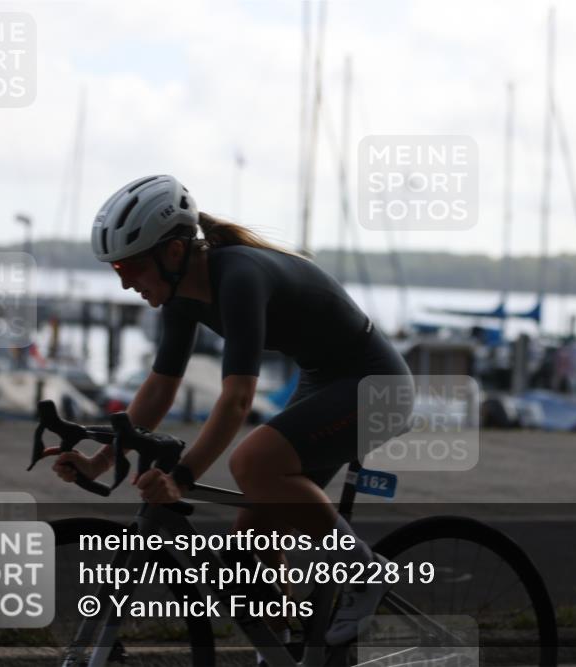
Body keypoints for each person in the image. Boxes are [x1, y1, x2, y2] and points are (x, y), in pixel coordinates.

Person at [50, 175, 414, 649]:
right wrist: (101, 461)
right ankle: (283, 653)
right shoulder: (180, 298)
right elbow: (160, 388)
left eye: (130, 265)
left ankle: (362, 569)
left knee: (251, 462)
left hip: (376, 386)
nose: (123, 282)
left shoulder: (239, 276)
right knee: (244, 559)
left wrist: (181, 477)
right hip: (324, 382)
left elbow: (238, 399)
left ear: (174, 253)